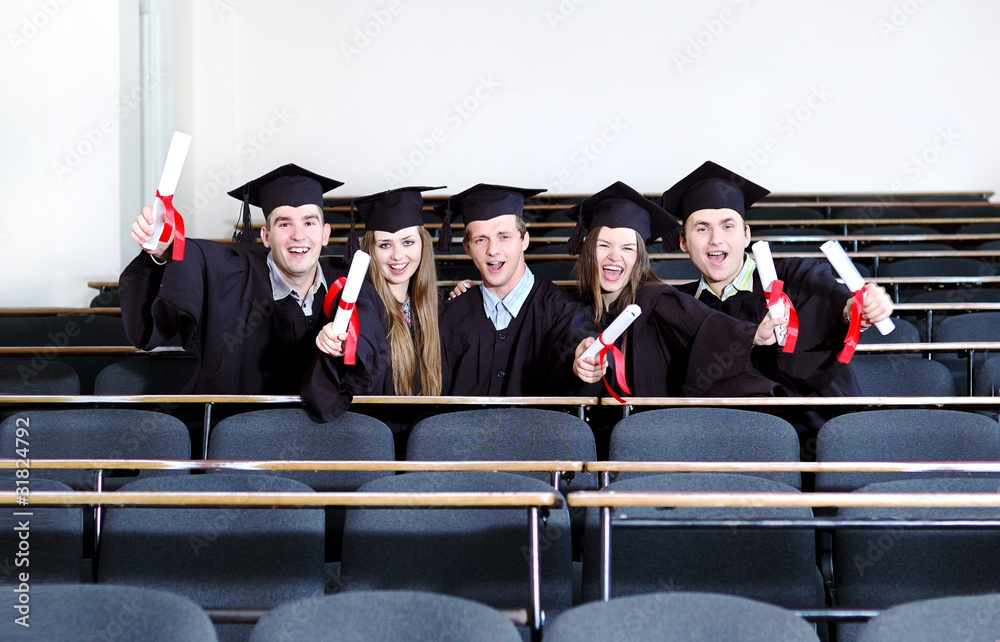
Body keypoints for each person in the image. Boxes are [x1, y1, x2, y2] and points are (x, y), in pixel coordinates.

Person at [122, 163, 384, 419]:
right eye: (284, 224)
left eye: (309, 223)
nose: (298, 235)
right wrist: (164, 250)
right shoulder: (234, 275)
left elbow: (370, 342)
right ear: (266, 236)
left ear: (325, 234)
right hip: (236, 439)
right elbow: (196, 259)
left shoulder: (346, 284)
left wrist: (345, 342)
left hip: (320, 441)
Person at [659, 161, 894, 399]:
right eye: (702, 229)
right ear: (683, 242)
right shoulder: (679, 306)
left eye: (728, 226)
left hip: (814, 423)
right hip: (730, 431)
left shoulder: (796, 275)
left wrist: (856, 312)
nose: (716, 240)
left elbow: (834, 308)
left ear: (746, 235)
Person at [566, 182, 782, 398]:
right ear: (588, 251)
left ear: (639, 258)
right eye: (603, 245)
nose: (614, 256)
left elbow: (700, 322)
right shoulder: (569, 307)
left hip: (650, 423)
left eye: (628, 248)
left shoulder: (656, 299)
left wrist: (750, 335)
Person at [304, 186, 445, 452]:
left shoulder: (437, 308)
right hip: (370, 449)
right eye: (385, 245)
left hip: (427, 451)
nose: (398, 255)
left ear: (423, 245)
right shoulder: (364, 303)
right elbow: (355, 341)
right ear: (369, 249)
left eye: (408, 242)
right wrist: (335, 341)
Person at [436, 184, 590, 396]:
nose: (493, 250)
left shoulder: (562, 311)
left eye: (504, 236)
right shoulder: (450, 317)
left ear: (524, 240)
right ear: (467, 248)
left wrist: (586, 360)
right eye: (481, 240)